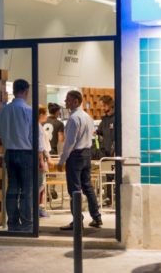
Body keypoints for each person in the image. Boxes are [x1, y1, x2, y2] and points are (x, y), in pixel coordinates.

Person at [56, 90, 103, 230]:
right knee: (87, 187)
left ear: (76, 101)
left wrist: (62, 160)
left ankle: (77, 221)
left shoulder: (73, 118)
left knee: (74, 190)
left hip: (75, 156)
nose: (65, 102)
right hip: (87, 154)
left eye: (68, 99)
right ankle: (97, 217)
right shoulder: (88, 117)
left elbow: (70, 142)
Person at [0, 79, 34, 232]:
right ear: (26, 91)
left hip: (9, 152)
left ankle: (12, 222)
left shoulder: (4, 110)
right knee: (26, 190)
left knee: (12, 188)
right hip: (26, 153)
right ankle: (26, 223)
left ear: (14, 90)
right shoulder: (28, 110)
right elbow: (33, 136)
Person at [37, 106, 52, 218]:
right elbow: (41, 146)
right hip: (40, 159)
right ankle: (37, 208)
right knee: (39, 184)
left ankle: (37, 208)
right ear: (41, 114)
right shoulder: (38, 127)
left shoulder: (39, 126)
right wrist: (43, 160)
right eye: (45, 113)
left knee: (41, 184)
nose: (46, 116)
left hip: (41, 158)